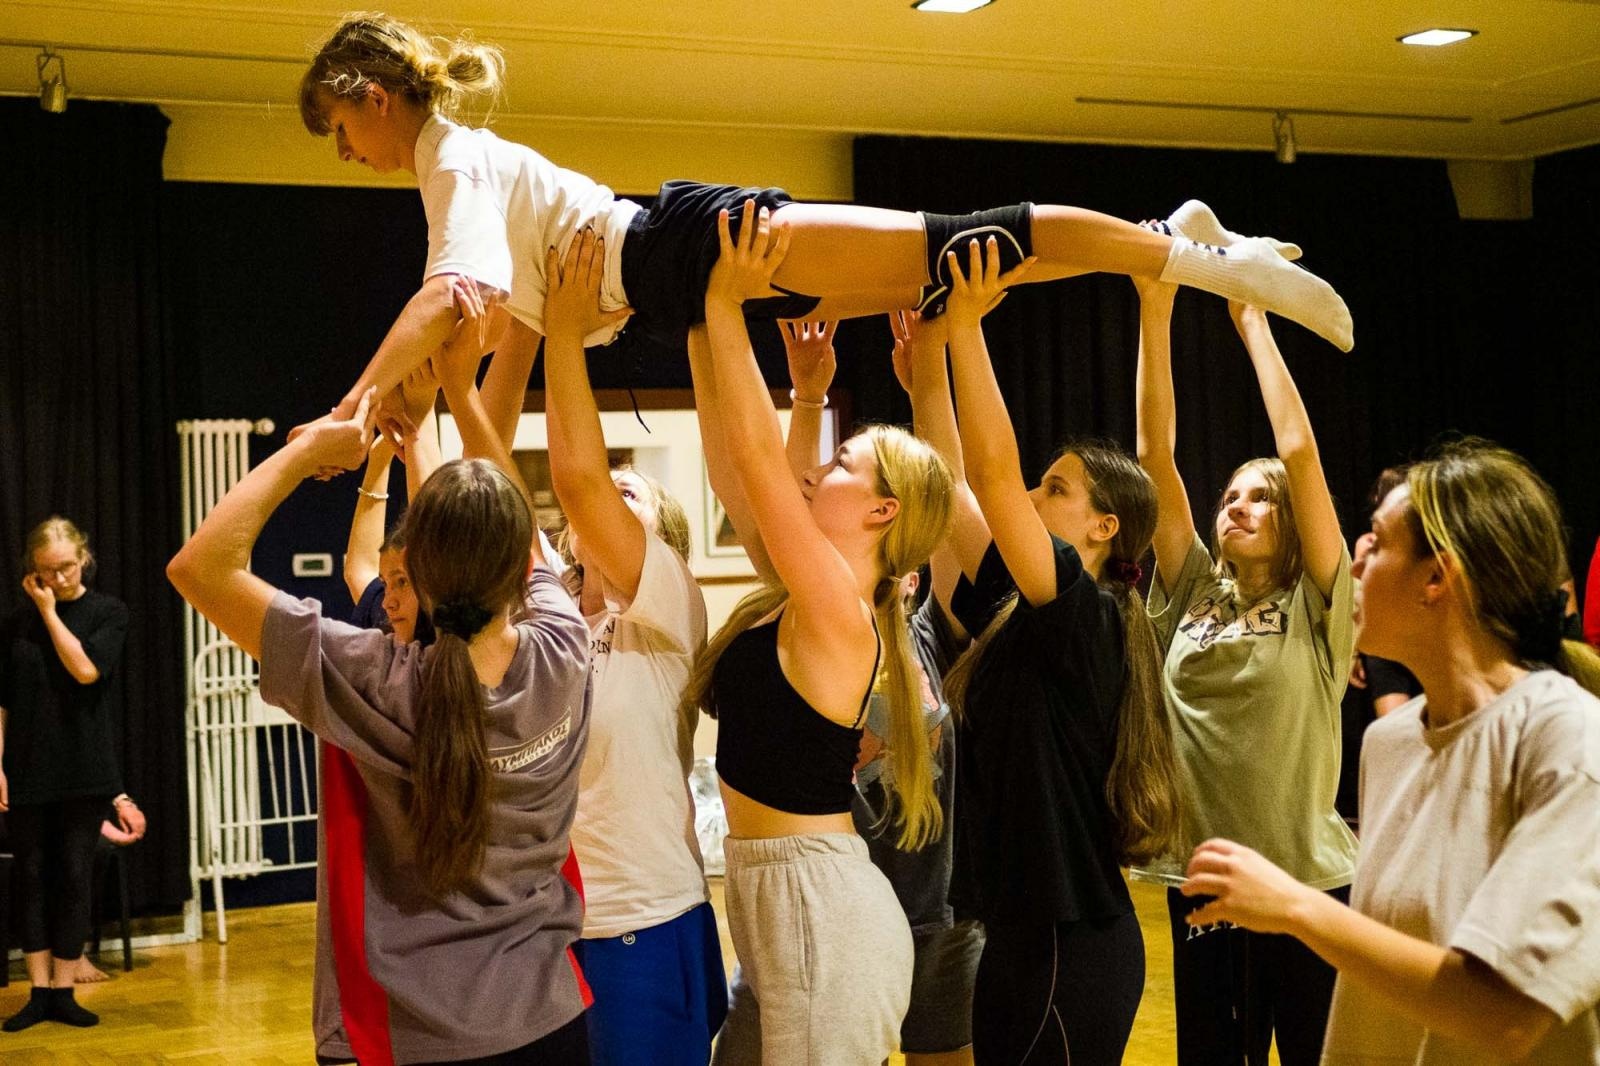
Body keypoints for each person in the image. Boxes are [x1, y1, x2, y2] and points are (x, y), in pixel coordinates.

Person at [293, 14, 1353, 439]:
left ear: (372, 95)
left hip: (685, 247)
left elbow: (448, 298)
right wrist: (424, 414)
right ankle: (1167, 241)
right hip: (676, 284)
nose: (347, 153)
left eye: (339, 129)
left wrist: (355, 404)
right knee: (952, 274)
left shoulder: (453, 160)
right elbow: (503, 348)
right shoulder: (469, 176)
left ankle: (1208, 258)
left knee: (961, 236)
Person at [167, 368, 594, 1062]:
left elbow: (199, 566)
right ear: (521, 570)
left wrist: (313, 451)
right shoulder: (565, 645)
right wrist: (435, 418)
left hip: (414, 1034)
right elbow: (511, 539)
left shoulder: (374, 677)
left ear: (418, 574)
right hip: (547, 1020)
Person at [1180, 440, 1600, 1064]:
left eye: (1375, 542)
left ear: (1437, 577)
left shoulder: (1569, 739)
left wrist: (1294, 905)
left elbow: (1506, 1014)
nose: (1353, 565)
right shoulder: (1389, 742)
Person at [680, 202, 953, 1064]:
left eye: (841, 462)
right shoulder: (799, 597)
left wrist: (727, 303)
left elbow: (763, 471)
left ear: (880, 510)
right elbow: (736, 468)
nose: (821, 465)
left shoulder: (846, 611)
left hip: (821, 917)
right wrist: (693, 311)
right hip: (779, 905)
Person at [932, 241, 1178, 1064]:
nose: (1035, 497)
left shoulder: (1092, 613)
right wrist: (925, 365)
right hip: (1021, 940)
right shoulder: (1018, 606)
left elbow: (995, 479)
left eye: (1058, 490)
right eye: (1043, 484)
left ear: (1104, 529)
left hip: (1074, 951)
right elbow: (955, 498)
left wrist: (967, 328)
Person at [1132, 272, 1356, 1065]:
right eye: (1230, 495)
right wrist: (1154, 302)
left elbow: (1300, 453)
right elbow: (1153, 456)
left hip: (1306, 887)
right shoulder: (1192, 586)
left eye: (1260, 498)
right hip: (1205, 883)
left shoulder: (1321, 603)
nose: (1237, 506)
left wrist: (1250, 317)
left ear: (1291, 519)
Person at [540, 231, 726, 1063]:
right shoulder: (555, 614)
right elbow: (481, 471)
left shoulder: (667, 604)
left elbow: (575, 481)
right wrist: (516, 327)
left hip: (644, 924)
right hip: (554, 927)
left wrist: (563, 327)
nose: (609, 494)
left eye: (632, 493)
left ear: (663, 536)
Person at [0, 517, 129, 1032]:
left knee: (74, 875)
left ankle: (64, 989)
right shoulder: (13, 625)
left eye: (67, 567)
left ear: (84, 558)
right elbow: (2, 703)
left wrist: (52, 614)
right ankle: (37, 991)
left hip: (84, 767)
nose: (59, 578)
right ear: (32, 571)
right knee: (31, 876)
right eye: (47, 572)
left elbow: (85, 670)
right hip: (28, 767)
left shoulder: (108, 612)